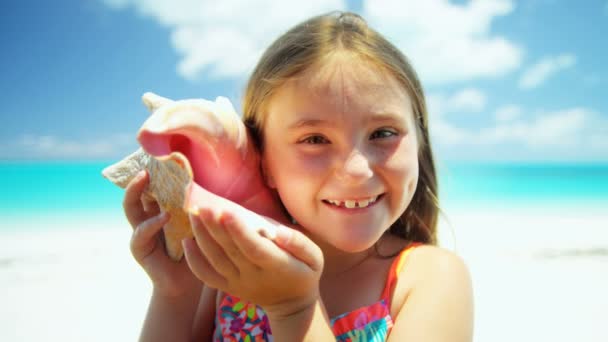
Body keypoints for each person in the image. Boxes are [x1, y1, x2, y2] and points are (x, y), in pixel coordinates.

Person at [123, 11, 474, 341]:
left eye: (383, 133)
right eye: (315, 140)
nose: (356, 170)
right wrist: (175, 291)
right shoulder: (231, 272)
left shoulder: (430, 279)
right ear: (264, 161)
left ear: (420, 142)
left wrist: (294, 308)